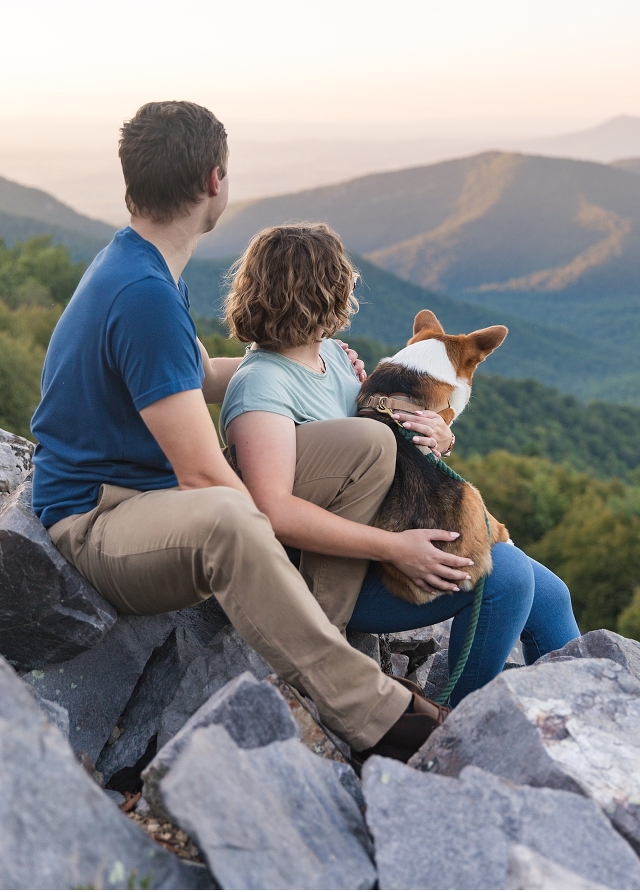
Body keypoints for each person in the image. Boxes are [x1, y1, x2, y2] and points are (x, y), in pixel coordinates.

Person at [31, 100, 447, 766]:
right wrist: (294, 527)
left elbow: (192, 372)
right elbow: (204, 480)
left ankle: (313, 646)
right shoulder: (142, 293)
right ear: (214, 180)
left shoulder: (143, 267)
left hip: (145, 498)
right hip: (97, 517)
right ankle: (370, 712)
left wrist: (306, 363)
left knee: (367, 445)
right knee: (234, 517)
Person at [221, 223, 580, 706]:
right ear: (325, 295)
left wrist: (441, 434)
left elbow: (390, 445)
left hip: (380, 539)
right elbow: (273, 511)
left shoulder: (331, 358)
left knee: (551, 593)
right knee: (510, 578)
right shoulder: (263, 386)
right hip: (334, 577)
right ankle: (452, 734)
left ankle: (590, 722)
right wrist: (394, 548)